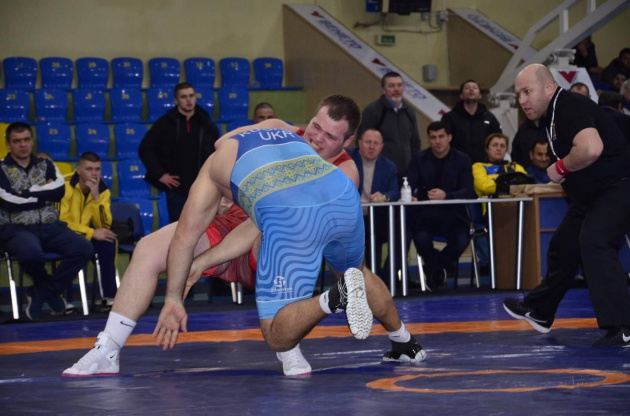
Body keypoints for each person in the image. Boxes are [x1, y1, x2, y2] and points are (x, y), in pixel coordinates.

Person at [63, 96, 426, 378]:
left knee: (350, 271)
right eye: (315, 126)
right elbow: (225, 144)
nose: (316, 138)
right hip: (235, 221)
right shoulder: (282, 129)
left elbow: (264, 223)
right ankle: (107, 349)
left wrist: (200, 262)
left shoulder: (342, 173)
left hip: (275, 235)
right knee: (149, 247)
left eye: (330, 137)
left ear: (348, 142)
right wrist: (227, 191)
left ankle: (392, 338)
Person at [504, 64, 630, 347]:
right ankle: (539, 310)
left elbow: (590, 148)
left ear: (549, 87)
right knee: (564, 245)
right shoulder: (555, 114)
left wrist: (561, 167)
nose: (522, 100)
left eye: (527, 92)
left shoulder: (568, 106)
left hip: (619, 185)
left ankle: (623, 326)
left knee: (595, 242)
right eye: (518, 94)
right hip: (596, 192)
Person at [0, 122, 93, 320]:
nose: (23, 145)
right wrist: (42, 195)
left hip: (51, 226)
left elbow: (58, 191)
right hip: (16, 228)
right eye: (17, 141)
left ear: (32, 141)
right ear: (8, 144)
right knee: (31, 254)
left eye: (26, 140)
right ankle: (48, 292)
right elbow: (7, 201)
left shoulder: (47, 164)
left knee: (84, 248)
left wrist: (23, 193)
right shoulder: (1, 168)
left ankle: (42, 292)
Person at [405, 121, 475, 290]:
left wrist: (446, 196)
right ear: (429, 139)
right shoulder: (419, 159)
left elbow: (468, 190)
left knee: (461, 239)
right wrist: (412, 196)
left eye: (441, 136)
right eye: (433, 137)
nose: (437, 141)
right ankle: (440, 268)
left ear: (449, 137)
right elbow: (409, 185)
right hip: (425, 216)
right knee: (420, 239)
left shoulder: (462, 159)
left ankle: (434, 268)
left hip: (454, 216)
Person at [138, 82, 220, 223]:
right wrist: (159, 174)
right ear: (176, 100)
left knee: (207, 228)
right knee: (178, 228)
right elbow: (145, 148)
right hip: (177, 189)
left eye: (191, 96)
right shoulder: (165, 123)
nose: (188, 100)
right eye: (183, 97)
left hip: (203, 187)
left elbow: (216, 153)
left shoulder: (206, 124)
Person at [59, 152, 118, 311]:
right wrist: (91, 233)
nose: (94, 173)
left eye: (97, 169)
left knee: (108, 240)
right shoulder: (63, 185)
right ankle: (61, 300)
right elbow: (61, 223)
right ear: (78, 170)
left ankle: (108, 297)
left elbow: (105, 224)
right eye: (89, 169)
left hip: (84, 233)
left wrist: (96, 197)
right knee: (66, 244)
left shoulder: (102, 190)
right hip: (64, 234)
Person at [347, 129, 399, 279]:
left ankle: (385, 278)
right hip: (350, 219)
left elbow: (395, 191)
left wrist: (385, 196)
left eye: (376, 143)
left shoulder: (388, 166)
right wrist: (354, 199)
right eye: (368, 142)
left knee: (402, 233)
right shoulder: (347, 159)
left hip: (375, 219)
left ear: (382, 146)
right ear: (359, 143)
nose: (372, 147)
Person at [472, 133, 527, 272]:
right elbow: (484, 186)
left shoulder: (516, 167)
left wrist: (497, 181)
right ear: (487, 149)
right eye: (495, 145)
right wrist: (509, 183)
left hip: (515, 211)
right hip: (489, 214)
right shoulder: (478, 167)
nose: (499, 148)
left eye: (502, 146)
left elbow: (526, 184)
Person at [357, 71, 420, 185]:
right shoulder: (372, 110)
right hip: (381, 174)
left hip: (406, 175)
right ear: (383, 90)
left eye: (399, 85)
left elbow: (415, 143)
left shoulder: (409, 112)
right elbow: (361, 142)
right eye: (391, 86)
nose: (396, 89)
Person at [442, 79, 502, 163]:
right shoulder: (449, 118)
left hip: (484, 165)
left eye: (475, 88)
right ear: (461, 95)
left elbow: (499, 140)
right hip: (457, 165)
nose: (471, 89)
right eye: (467, 88)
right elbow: (443, 142)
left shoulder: (490, 118)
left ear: (480, 95)